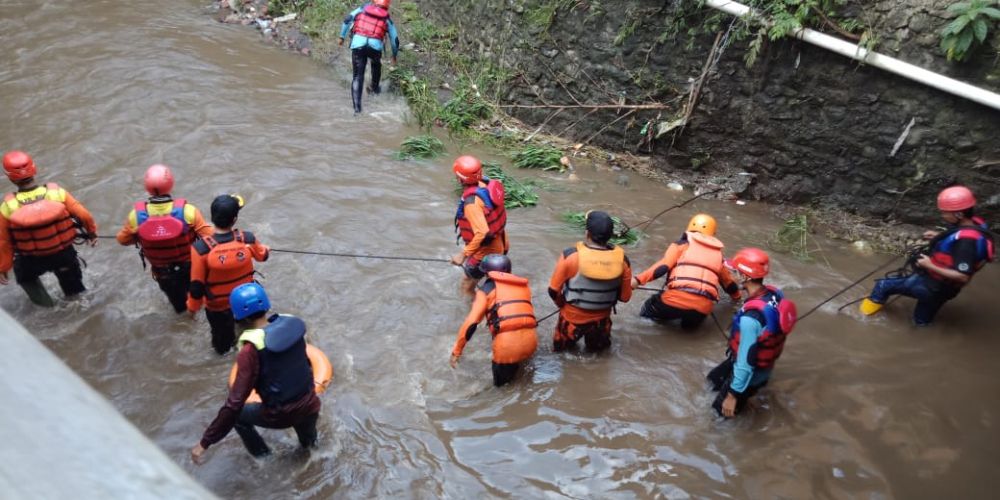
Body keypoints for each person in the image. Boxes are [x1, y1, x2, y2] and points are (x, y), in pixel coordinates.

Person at [191, 283, 320, 463]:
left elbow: (234, 404)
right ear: (266, 305)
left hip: (280, 415)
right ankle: (312, 451)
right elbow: (305, 365)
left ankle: (265, 459)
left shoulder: (250, 350)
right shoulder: (292, 326)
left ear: (237, 317)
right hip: (311, 405)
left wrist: (205, 442)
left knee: (238, 417)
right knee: (309, 449)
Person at [859, 185, 994, 326]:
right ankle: (921, 331)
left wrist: (928, 265)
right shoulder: (975, 225)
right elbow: (959, 240)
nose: (942, 215)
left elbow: (962, 276)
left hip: (932, 286)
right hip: (946, 290)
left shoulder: (966, 243)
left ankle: (862, 319)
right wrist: (938, 236)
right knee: (921, 320)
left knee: (883, 285)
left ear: (959, 214)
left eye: (945, 213)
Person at [707, 247, 797, 418]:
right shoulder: (775, 293)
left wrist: (732, 396)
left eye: (734, 271)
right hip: (761, 367)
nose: (730, 274)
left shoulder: (751, 319)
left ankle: (739, 404)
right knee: (712, 380)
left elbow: (745, 362)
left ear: (745, 277)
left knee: (718, 416)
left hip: (751, 373)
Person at [0, 150, 98, 306]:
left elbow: (3, 241)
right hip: (63, 255)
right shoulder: (57, 193)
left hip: (30, 261)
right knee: (76, 295)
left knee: (25, 278)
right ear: (34, 169)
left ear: (10, 178)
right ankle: (82, 307)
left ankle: (47, 306)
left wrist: (3, 267)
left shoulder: (7, 207)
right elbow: (84, 215)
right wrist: (91, 233)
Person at [116, 165, 212, 313]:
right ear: (170, 184)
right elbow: (210, 237)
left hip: (163, 274)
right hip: (191, 268)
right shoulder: (188, 211)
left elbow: (122, 240)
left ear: (147, 187)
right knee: (199, 298)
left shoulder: (135, 216)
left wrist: (139, 235)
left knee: (179, 306)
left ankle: (185, 316)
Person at [187, 194, 270, 355]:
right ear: (234, 219)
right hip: (247, 300)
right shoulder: (248, 238)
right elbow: (263, 256)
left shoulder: (200, 249)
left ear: (212, 218)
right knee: (251, 332)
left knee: (223, 348)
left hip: (218, 307)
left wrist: (192, 309)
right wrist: (266, 249)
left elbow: (196, 286)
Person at [631, 214, 740, 331]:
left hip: (673, 301)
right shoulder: (718, 256)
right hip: (701, 309)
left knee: (648, 310)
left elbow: (662, 267)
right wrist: (737, 298)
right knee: (688, 330)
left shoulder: (681, 245)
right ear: (712, 234)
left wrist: (637, 280)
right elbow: (729, 285)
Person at [548, 210, 632, 352]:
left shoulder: (570, 256)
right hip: (601, 322)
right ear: (611, 236)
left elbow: (553, 291)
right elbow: (625, 297)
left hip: (571, 319)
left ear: (587, 233)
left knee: (561, 354)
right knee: (598, 356)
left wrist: (561, 304)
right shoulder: (623, 261)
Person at [450, 254, 538, 386]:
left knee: (503, 389)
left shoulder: (484, 292)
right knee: (523, 379)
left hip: (507, 348)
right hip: (531, 343)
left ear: (486, 273)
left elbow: (471, 323)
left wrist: (456, 351)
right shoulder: (524, 287)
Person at [450, 155, 509, 297]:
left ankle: (474, 307)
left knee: (466, 285)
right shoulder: (485, 184)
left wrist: (462, 255)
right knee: (493, 280)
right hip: (502, 242)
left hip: (487, 251)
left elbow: (482, 232)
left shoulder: (472, 203)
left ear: (460, 179)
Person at [339, 0, 400, 114]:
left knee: (357, 76)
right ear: (387, 6)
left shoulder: (362, 9)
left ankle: (357, 109)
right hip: (374, 47)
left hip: (358, 45)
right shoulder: (386, 18)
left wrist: (341, 37)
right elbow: (395, 40)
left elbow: (347, 20)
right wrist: (394, 55)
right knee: (376, 65)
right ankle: (374, 89)